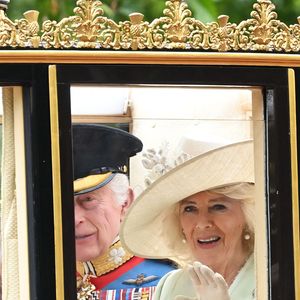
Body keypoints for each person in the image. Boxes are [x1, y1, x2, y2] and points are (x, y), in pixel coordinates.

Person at [120, 140, 256, 300]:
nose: (202, 223)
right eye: (190, 209)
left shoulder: (271, 278)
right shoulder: (171, 285)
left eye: (218, 207)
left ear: (247, 214)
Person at [73, 124, 176, 300]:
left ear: (125, 202)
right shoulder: (42, 276)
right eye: (63, 206)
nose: (74, 219)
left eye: (89, 200)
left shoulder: (167, 285)